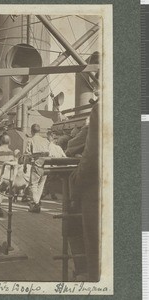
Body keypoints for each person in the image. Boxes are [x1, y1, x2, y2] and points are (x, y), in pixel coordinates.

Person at [69, 103, 99, 281]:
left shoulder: (102, 108)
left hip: (97, 190)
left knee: (94, 242)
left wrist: (76, 180)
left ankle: (89, 277)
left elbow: (92, 157)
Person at [25, 124, 50, 213]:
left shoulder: (30, 140)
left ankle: (35, 204)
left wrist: (25, 164)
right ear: (39, 131)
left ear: (32, 131)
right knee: (41, 185)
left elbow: (27, 154)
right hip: (46, 165)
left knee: (33, 185)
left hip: (36, 164)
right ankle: (37, 203)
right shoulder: (46, 140)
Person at [0, 134, 15, 217]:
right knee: (2, 191)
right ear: (9, 142)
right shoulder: (11, 152)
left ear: (1, 141)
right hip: (7, 175)